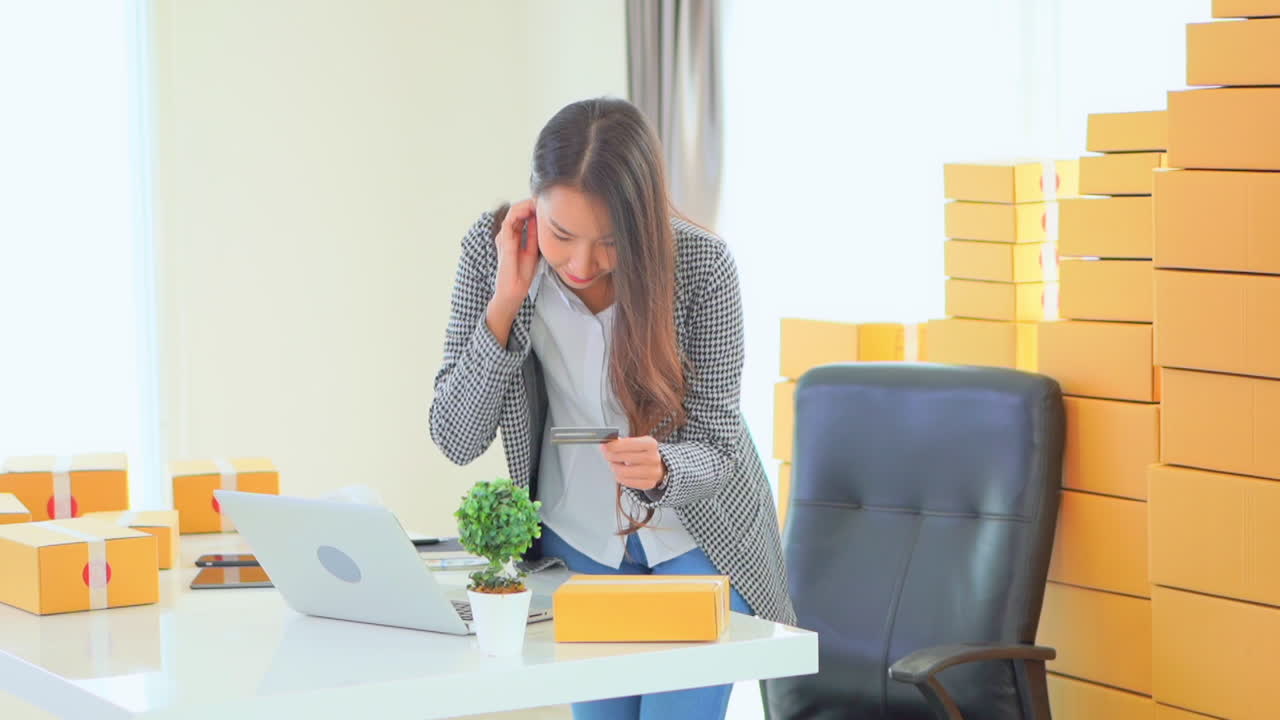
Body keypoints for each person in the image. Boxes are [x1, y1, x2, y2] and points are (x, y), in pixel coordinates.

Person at [429, 97, 794, 720]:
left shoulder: (702, 265)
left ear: (643, 222)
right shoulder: (491, 254)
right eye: (561, 235)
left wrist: (665, 468)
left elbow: (720, 447)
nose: (581, 264)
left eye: (609, 242)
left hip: (699, 536)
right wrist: (506, 302)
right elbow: (455, 436)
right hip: (577, 540)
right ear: (534, 201)